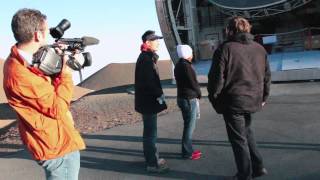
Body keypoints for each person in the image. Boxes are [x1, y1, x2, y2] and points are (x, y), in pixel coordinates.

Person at [3, 8, 85, 180]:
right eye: (46, 31)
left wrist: (56, 62)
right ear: (37, 35)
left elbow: (46, 91)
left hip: (58, 137)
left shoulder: (24, 59)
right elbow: (57, 108)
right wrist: (66, 72)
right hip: (56, 147)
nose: (48, 36)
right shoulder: (20, 73)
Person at [207, 16, 271, 180]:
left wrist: (214, 99)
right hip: (253, 100)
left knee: (238, 140)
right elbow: (267, 76)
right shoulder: (259, 49)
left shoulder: (225, 49)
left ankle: (244, 174)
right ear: (248, 28)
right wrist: (264, 97)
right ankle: (258, 167)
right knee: (247, 133)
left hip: (234, 102)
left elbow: (216, 79)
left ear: (229, 30)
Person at [134, 30, 169, 173]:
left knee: (149, 132)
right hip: (148, 102)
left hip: (145, 101)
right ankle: (152, 163)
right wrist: (159, 94)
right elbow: (149, 82)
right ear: (147, 43)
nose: (158, 42)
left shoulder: (146, 57)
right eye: (155, 40)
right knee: (150, 134)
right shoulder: (146, 59)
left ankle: (151, 158)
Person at [174, 44, 202, 160]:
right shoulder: (187, 66)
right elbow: (193, 83)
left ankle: (187, 150)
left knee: (187, 125)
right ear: (188, 54)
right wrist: (199, 94)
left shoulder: (178, 66)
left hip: (181, 97)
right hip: (189, 99)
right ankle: (187, 152)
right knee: (189, 127)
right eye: (191, 53)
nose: (192, 55)